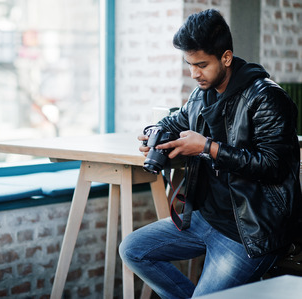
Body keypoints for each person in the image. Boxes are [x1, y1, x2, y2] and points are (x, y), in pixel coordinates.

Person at [119, 8, 302, 299]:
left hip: (249, 232)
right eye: (190, 64)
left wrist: (207, 147)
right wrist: (153, 132)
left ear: (226, 58)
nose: (194, 74)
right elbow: (174, 121)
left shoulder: (266, 98)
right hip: (203, 220)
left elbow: (273, 166)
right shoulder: (201, 94)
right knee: (133, 250)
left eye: (201, 65)